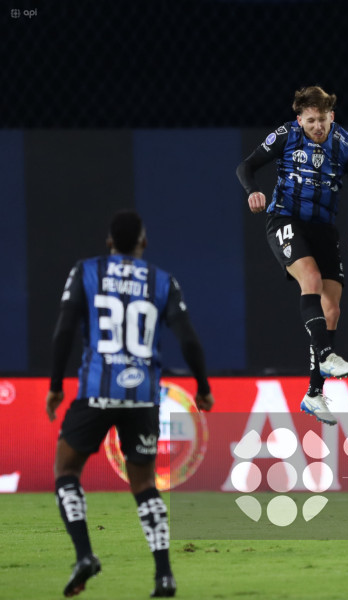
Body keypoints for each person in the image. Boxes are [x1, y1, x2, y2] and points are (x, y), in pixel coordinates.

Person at [45, 210, 215, 598]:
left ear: (108, 243)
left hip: (96, 389)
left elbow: (65, 329)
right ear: (144, 243)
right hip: (142, 395)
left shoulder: (85, 272)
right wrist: (203, 386)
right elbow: (188, 339)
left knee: (66, 470)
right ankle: (164, 575)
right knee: (144, 485)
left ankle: (85, 555)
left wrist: (56, 385)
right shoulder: (161, 280)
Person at [236, 85, 348, 426]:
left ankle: (314, 393)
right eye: (310, 121)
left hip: (325, 229)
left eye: (322, 120)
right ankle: (327, 355)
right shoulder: (285, 135)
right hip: (285, 218)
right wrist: (253, 191)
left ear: (332, 117)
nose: (317, 127)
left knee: (333, 309)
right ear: (299, 119)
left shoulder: (346, 144)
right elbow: (246, 167)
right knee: (309, 280)